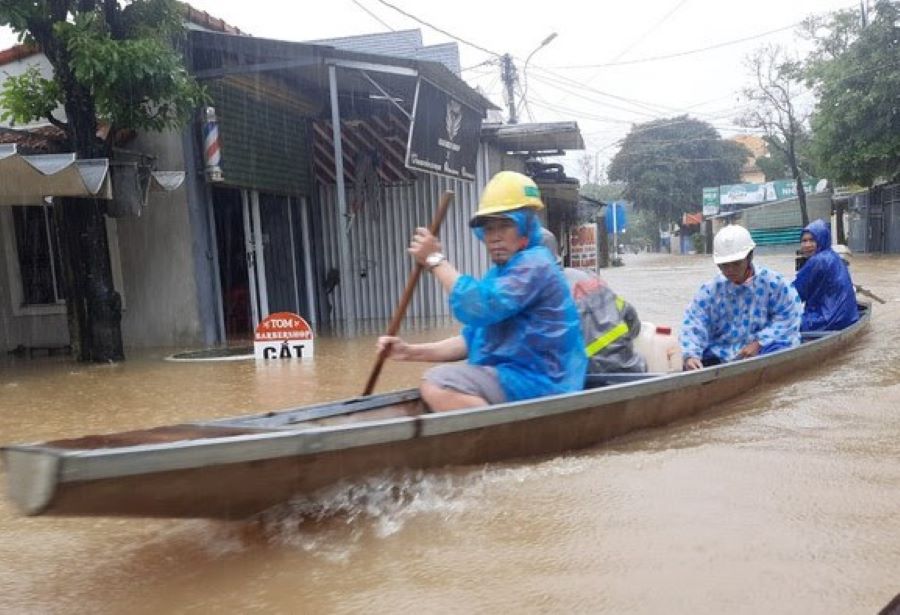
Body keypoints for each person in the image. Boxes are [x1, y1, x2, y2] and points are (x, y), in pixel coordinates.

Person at [377, 171, 587, 412]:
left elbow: (479, 306)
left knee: (437, 383)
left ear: (526, 228)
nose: (495, 237)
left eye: (506, 225)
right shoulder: (502, 274)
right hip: (519, 379)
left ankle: (501, 439)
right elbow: (471, 339)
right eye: (489, 228)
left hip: (544, 384)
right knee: (439, 380)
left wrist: (435, 260)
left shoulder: (535, 265)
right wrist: (408, 352)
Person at [680, 224, 803, 370]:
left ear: (750, 256)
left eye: (736, 264)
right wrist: (691, 354)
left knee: (779, 350)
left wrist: (759, 343)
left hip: (765, 347)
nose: (730, 270)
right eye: (724, 265)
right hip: (724, 350)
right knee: (696, 361)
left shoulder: (773, 283)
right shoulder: (711, 291)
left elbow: (789, 316)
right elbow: (694, 322)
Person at [540, 228, 646, 374]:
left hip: (580, 380)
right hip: (627, 371)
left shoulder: (528, 295)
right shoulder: (588, 277)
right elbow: (632, 320)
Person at [793, 219, 859, 332]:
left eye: (812, 240)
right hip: (848, 316)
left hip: (828, 319)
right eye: (804, 241)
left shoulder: (818, 261)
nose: (807, 245)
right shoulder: (833, 255)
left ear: (821, 240)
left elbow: (794, 294)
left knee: (785, 324)